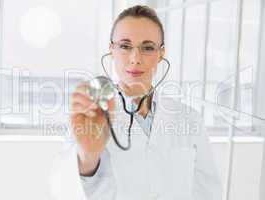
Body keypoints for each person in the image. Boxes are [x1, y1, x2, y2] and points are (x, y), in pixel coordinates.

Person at [50, 5, 222, 200]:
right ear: (112, 49)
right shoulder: (90, 114)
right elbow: (63, 189)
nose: (135, 58)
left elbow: (208, 190)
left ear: (161, 53)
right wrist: (88, 157)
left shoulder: (189, 118)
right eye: (125, 46)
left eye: (147, 48)